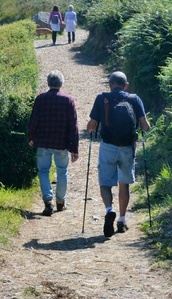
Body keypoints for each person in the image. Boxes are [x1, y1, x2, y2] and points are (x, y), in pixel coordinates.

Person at [86, 71, 150, 237]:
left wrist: (91, 129)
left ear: (110, 85)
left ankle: (109, 210)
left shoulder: (102, 98)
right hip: (127, 147)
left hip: (108, 146)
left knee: (105, 182)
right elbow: (145, 126)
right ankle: (121, 220)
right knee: (124, 184)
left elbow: (91, 126)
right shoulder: (134, 99)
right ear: (125, 85)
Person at [27, 70, 79, 215]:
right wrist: (74, 148)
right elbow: (73, 126)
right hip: (61, 143)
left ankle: (48, 201)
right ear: (61, 84)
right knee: (62, 171)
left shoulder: (40, 99)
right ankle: (60, 202)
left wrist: (31, 137)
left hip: (43, 142)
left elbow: (34, 120)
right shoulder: (68, 100)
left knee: (43, 171)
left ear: (48, 83)